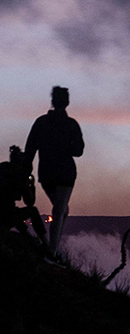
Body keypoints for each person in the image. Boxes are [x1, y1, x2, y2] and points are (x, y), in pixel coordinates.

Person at [24, 85, 84, 252]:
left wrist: (26, 168)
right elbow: (79, 150)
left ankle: (52, 249)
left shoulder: (41, 122)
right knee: (60, 210)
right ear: (67, 102)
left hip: (48, 173)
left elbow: (30, 149)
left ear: (53, 101)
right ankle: (52, 251)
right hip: (64, 173)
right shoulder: (71, 125)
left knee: (60, 209)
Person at [0, 145, 48, 248]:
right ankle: (45, 244)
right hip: (5, 217)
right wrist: (31, 185)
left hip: (5, 212)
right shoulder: (20, 175)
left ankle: (30, 239)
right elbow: (30, 202)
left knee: (14, 214)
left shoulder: (3, 168)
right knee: (33, 211)